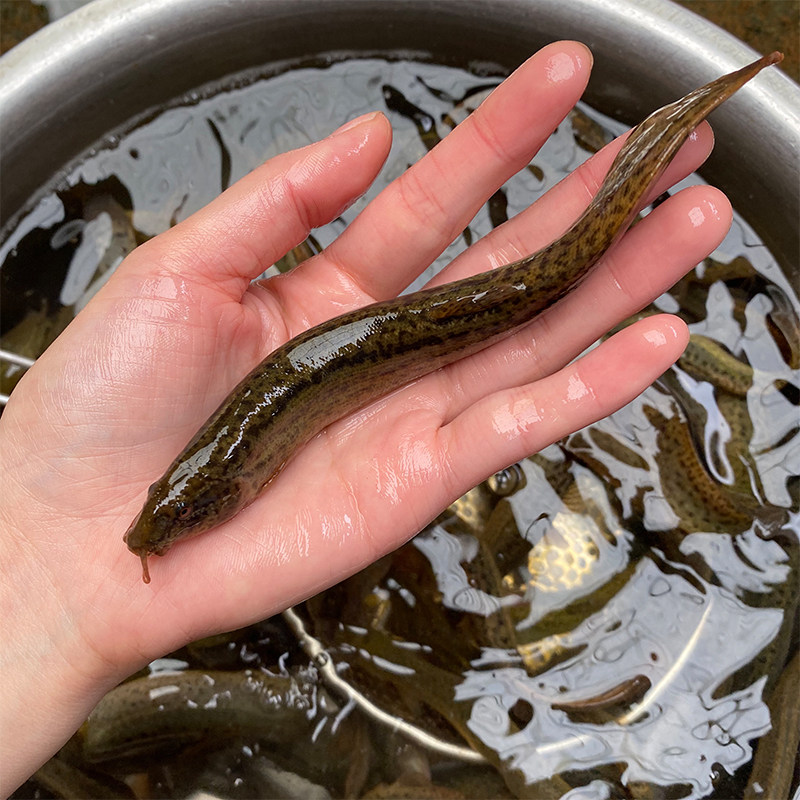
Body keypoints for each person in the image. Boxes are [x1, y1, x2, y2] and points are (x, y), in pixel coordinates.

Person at [0, 41, 731, 793]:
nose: (155, 530)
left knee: (545, 283)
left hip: (381, 343)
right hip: (352, 355)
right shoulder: (216, 471)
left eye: (174, 510)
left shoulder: (230, 470)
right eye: (173, 513)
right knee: (536, 286)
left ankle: (673, 133)